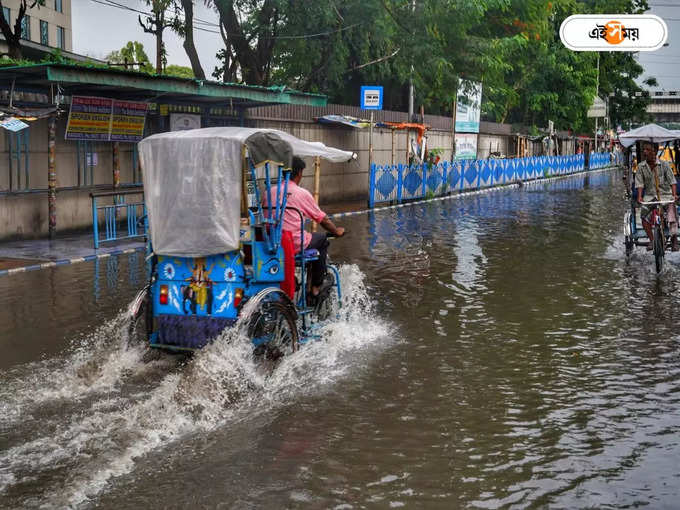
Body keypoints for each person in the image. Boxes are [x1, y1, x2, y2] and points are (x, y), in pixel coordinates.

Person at [263, 156, 345, 302]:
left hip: (272, 243)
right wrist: (336, 231)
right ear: (299, 172)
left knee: (312, 238)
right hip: (294, 243)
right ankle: (315, 288)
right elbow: (323, 220)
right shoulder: (302, 193)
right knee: (322, 240)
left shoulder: (269, 192)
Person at [635, 141, 679, 251]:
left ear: (655, 151)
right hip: (650, 196)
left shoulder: (664, 165)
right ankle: (652, 239)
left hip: (665, 195)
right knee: (644, 215)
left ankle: (674, 239)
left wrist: (674, 195)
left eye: (648, 150)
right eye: (644, 150)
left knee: (672, 213)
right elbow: (640, 183)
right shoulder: (641, 167)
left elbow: (672, 182)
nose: (645, 152)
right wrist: (640, 197)